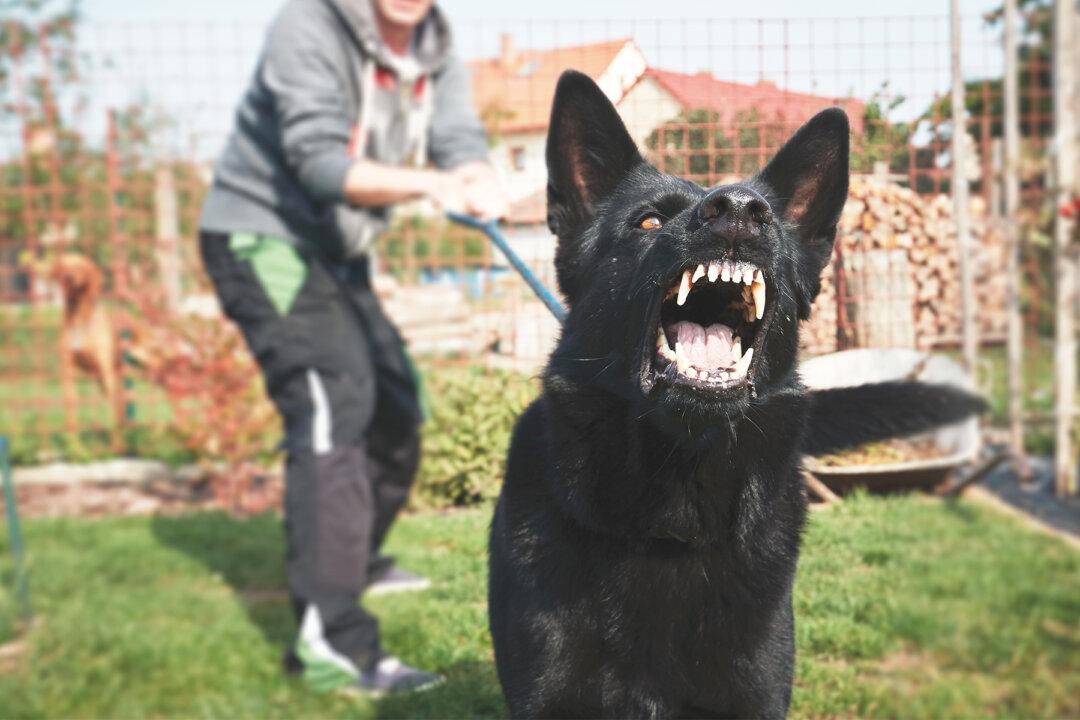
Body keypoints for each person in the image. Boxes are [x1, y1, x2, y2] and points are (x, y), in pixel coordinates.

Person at [197, 0, 506, 696]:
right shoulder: (305, 27)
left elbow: (458, 137)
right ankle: (331, 642)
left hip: (338, 254)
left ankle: (353, 555)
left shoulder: (435, 46)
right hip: (264, 238)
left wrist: (478, 175)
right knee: (335, 403)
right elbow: (319, 164)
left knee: (397, 406)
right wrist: (434, 183)